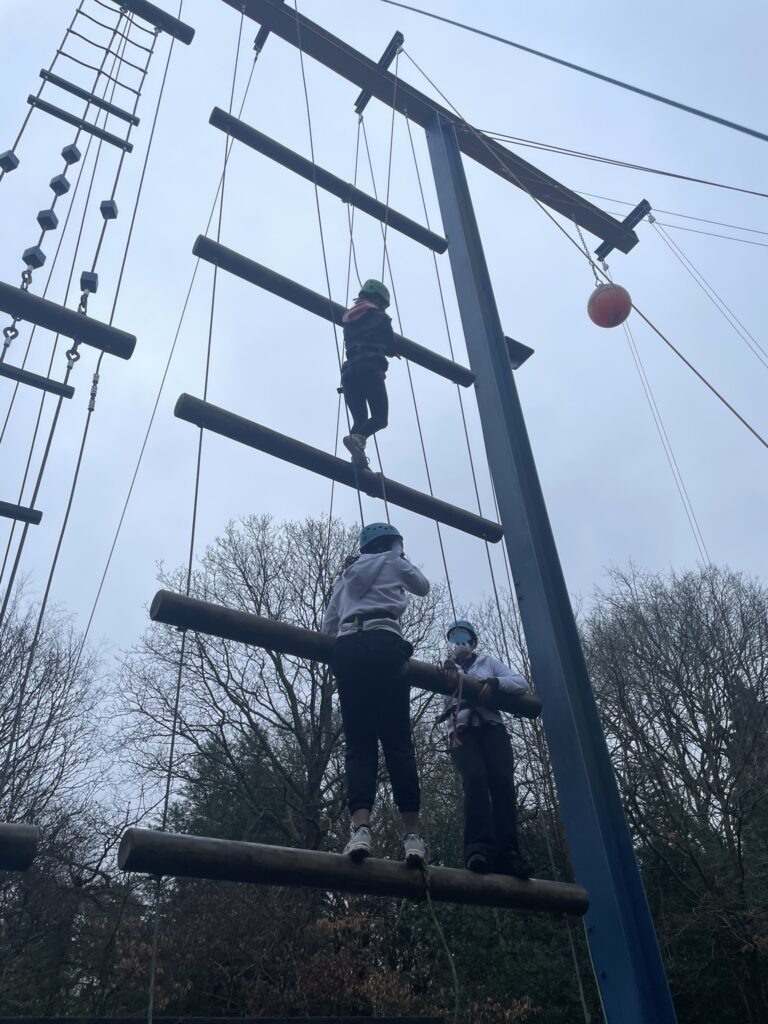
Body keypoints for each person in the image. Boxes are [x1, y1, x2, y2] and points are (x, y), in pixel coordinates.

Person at [322, 521, 430, 866]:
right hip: (385, 645)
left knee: (359, 744)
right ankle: (411, 836)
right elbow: (423, 587)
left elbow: (328, 626)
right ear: (392, 544)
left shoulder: (345, 577)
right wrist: (401, 560)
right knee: (398, 743)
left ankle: (360, 829)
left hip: (349, 649)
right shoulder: (394, 562)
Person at [442, 619, 533, 878]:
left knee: (502, 781)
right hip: (462, 730)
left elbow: (520, 683)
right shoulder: (446, 667)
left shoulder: (488, 663)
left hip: (492, 728)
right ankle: (477, 849)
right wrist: (450, 670)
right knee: (475, 777)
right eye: (454, 638)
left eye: (463, 637)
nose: (459, 642)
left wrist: (494, 683)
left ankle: (508, 853)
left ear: (472, 641)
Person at [339, 279, 395, 469]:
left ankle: (357, 457)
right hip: (370, 368)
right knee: (380, 418)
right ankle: (357, 440)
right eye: (383, 305)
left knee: (360, 420)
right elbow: (391, 346)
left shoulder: (348, 319)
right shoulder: (380, 317)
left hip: (349, 373)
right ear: (377, 299)